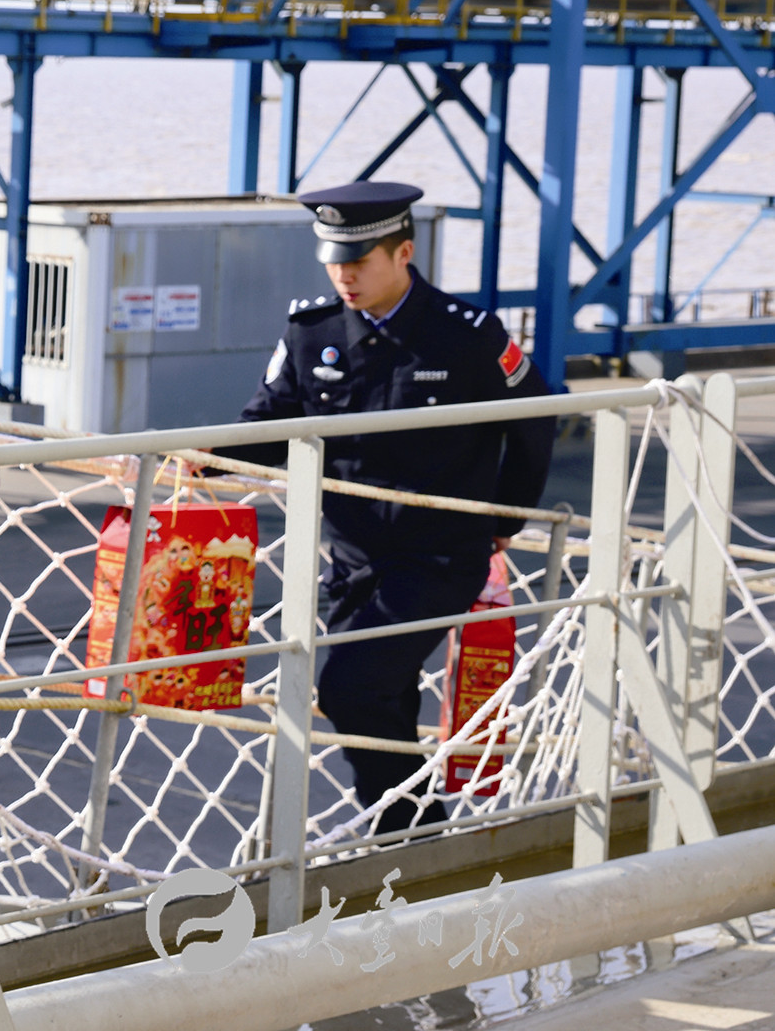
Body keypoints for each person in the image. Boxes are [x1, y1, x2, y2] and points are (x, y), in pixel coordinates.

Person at [217, 181, 555, 837]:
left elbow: (535, 424)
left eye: (359, 261)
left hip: (438, 557)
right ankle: (417, 840)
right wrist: (201, 456)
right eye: (333, 261)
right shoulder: (312, 331)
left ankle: (406, 833)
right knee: (382, 702)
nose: (343, 275)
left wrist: (505, 519)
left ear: (404, 252)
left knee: (351, 689)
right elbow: (269, 420)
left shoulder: (467, 335)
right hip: (352, 562)